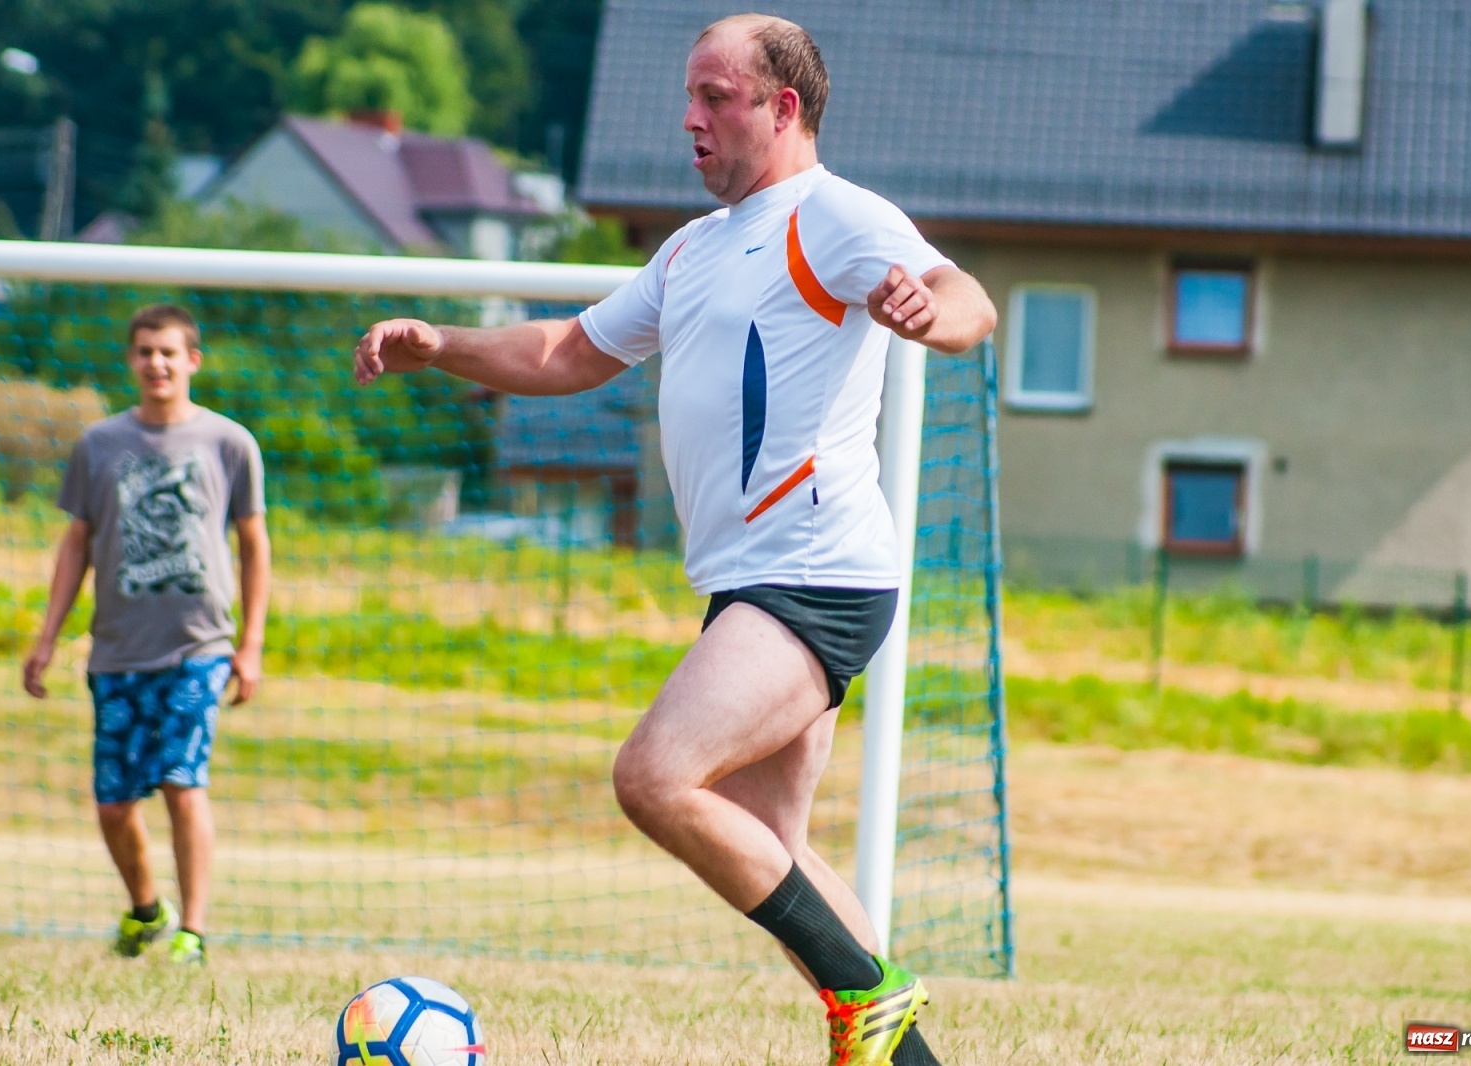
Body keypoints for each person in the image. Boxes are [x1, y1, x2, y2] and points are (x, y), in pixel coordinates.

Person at [352, 14, 994, 1064]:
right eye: (687, 98)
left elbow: (971, 299)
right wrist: (442, 345)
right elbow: (568, 348)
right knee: (774, 844)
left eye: (715, 97)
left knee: (654, 777)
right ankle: (899, 1051)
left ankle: (869, 992)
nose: (690, 120)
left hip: (813, 573)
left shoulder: (830, 216)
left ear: (783, 107)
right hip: (755, 579)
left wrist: (932, 311)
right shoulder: (694, 247)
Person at [23, 303, 270, 967]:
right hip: (116, 653)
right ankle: (145, 909)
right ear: (131, 360)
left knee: (182, 782)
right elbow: (77, 543)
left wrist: (250, 645)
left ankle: (192, 931)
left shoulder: (228, 443)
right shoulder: (100, 445)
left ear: (192, 360)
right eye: (145, 352)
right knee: (113, 804)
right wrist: (47, 638)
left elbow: (253, 544)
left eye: (169, 352)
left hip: (198, 647)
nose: (157, 363)